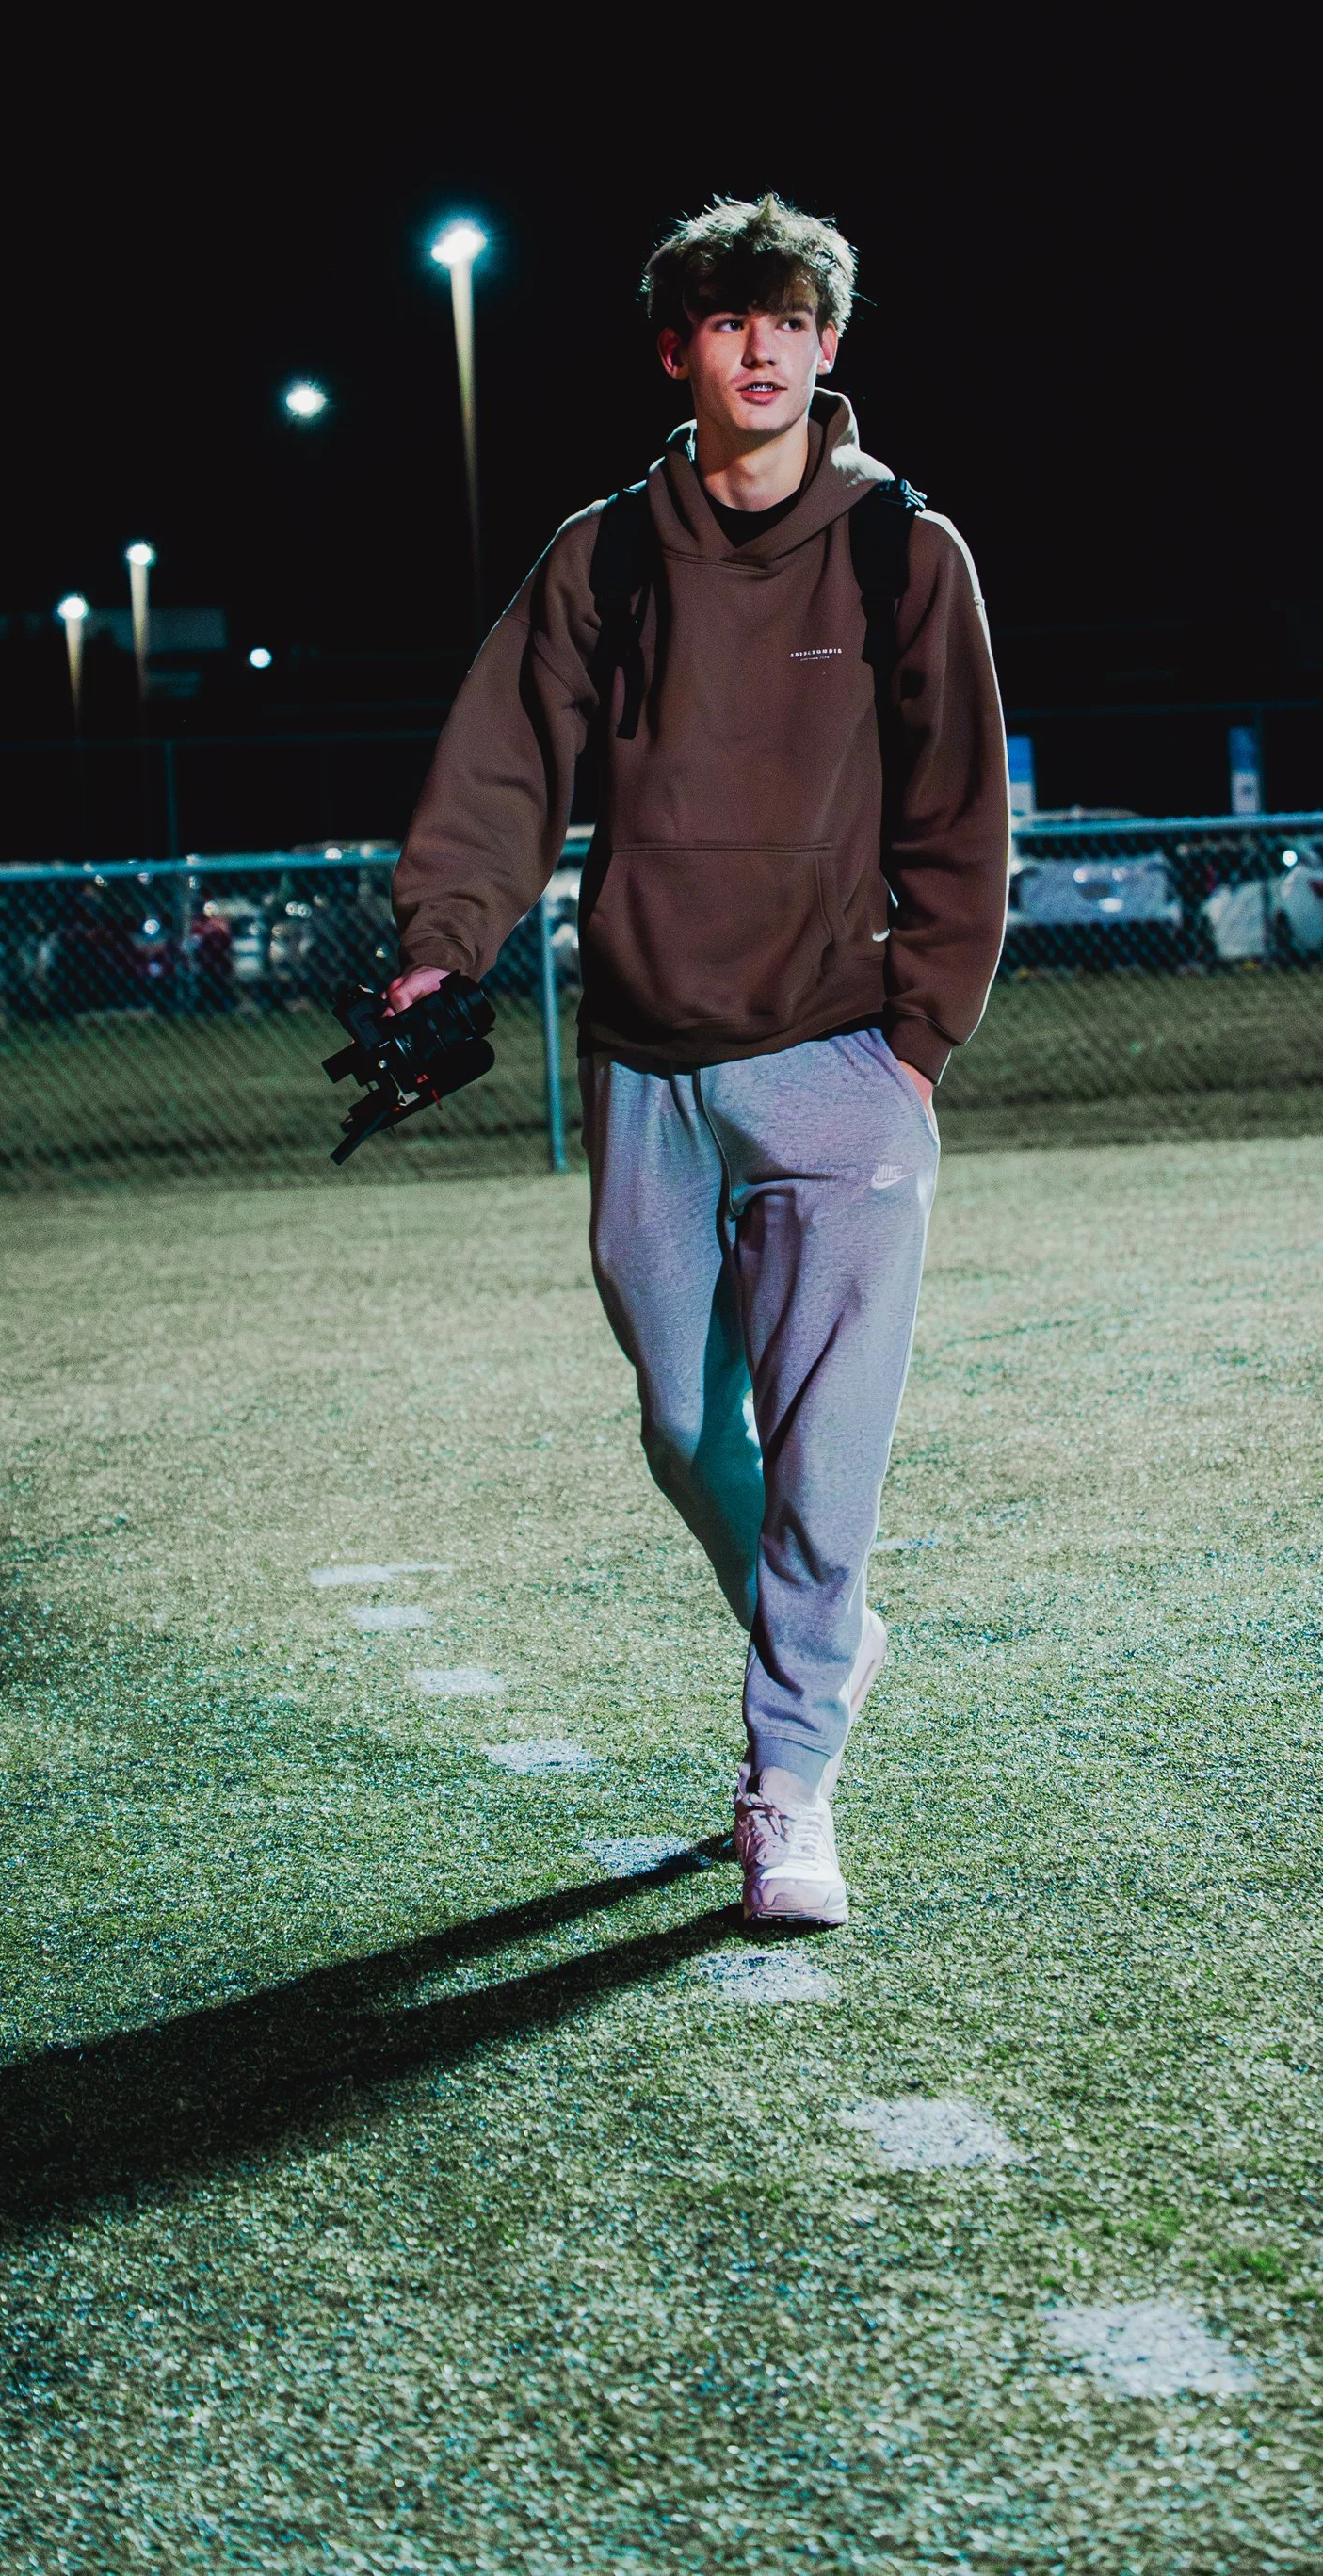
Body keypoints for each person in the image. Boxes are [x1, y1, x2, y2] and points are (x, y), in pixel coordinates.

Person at [385, 197, 1008, 1928]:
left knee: (825, 1454)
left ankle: (788, 1781)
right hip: (648, 1057)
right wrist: (444, 943)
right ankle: (830, 1635)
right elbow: (506, 766)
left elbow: (962, 810)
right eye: (728, 319)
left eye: (789, 318)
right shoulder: (606, 556)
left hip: (841, 1058)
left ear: (828, 346)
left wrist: (917, 1040)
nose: (760, 347)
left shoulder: (904, 554)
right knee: (682, 1421)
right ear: (677, 349)